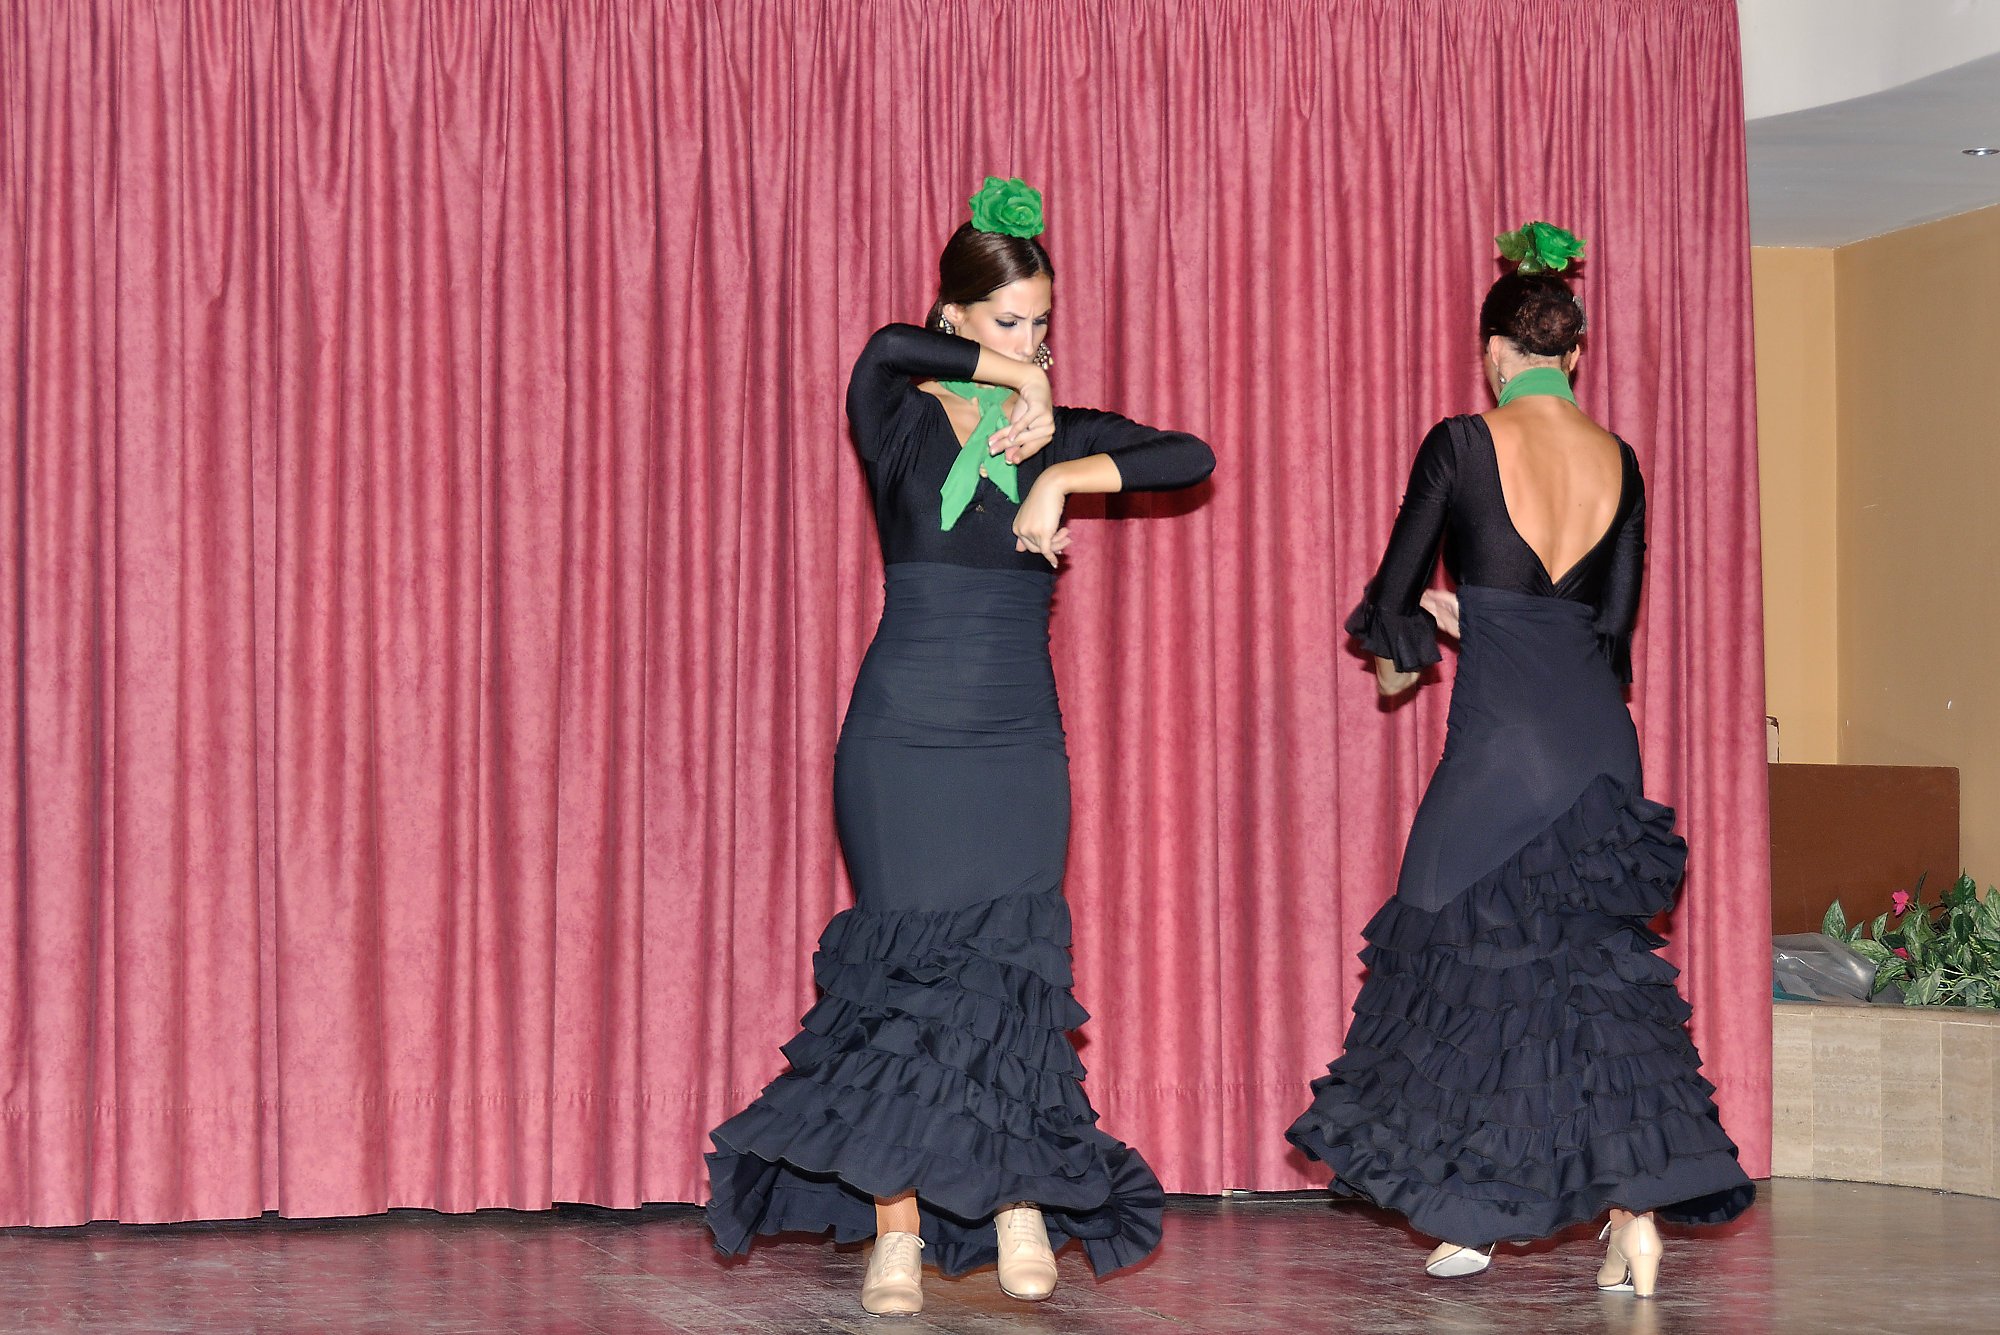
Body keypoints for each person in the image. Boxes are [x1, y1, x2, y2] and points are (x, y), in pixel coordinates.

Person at [705, 177, 1215, 1317]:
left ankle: (1016, 1201)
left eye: (1041, 325)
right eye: (1006, 322)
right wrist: (1018, 382)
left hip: (1016, 737)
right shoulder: (896, 414)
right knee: (903, 984)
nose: (1030, 344)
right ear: (958, 319)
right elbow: (883, 348)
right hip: (903, 734)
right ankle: (895, 1236)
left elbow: (1189, 453)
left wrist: (1064, 473)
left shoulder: (1057, 436)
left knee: (1008, 976)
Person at [1286, 222, 1753, 1298]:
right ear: (1574, 353)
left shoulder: (1461, 441)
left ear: (1493, 352)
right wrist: (1492, 621)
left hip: (1502, 746)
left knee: (1451, 959)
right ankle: (1633, 1217)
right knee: (1591, 979)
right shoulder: (1619, 460)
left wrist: (1428, 636)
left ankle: (1471, 1211)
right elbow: (1610, 635)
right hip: (1596, 744)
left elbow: (1388, 603)